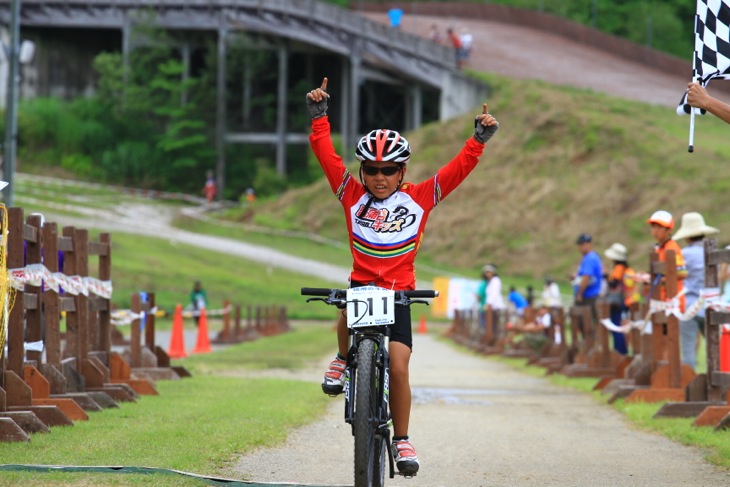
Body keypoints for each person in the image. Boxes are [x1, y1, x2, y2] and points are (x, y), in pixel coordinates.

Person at [306, 76, 499, 475]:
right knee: (347, 301)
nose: (380, 177)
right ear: (363, 170)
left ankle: (402, 439)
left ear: (402, 171)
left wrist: (477, 141)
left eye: (389, 170)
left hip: (399, 294)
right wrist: (320, 118)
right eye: (373, 169)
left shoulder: (419, 197)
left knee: (398, 365)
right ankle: (342, 358)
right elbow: (328, 158)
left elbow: (455, 173)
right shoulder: (350, 194)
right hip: (363, 284)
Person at [672, 212, 719, 370]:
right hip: (711, 304)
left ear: (687, 236)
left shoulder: (684, 254)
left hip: (689, 306)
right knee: (715, 348)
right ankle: (720, 383)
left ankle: (689, 382)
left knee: (688, 348)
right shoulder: (713, 253)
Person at [647, 210, 688, 313]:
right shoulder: (658, 249)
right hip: (661, 302)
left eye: (660, 227)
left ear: (668, 230)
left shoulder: (671, 247)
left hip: (673, 303)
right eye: (653, 226)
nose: (655, 230)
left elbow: (682, 272)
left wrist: (663, 279)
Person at [603, 243, 637, 355]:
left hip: (619, 302)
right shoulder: (628, 269)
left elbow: (613, 283)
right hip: (628, 302)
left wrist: (605, 276)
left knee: (617, 327)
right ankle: (622, 351)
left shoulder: (618, 268)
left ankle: (619, 352)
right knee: (622, 327)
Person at [572, 233, 603, 339]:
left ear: (589, 244)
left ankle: (590, 346)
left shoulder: (590, 258)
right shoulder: (590, 258)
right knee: (585, 323)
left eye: (584, 244)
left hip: (588, 296)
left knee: (585, 323)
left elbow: (586, 277)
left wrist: (580, 293)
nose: (581, 247)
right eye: (580, 244)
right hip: (590, 296)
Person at [476, 264, 505, 332]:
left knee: (492, 324)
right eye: (486, 272)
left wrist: (488, 304)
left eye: (489, 272)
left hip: (495, 306)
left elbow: (493, 294)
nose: (488, 274)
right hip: (491, 306)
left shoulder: (495, 281)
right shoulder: (490, 282)